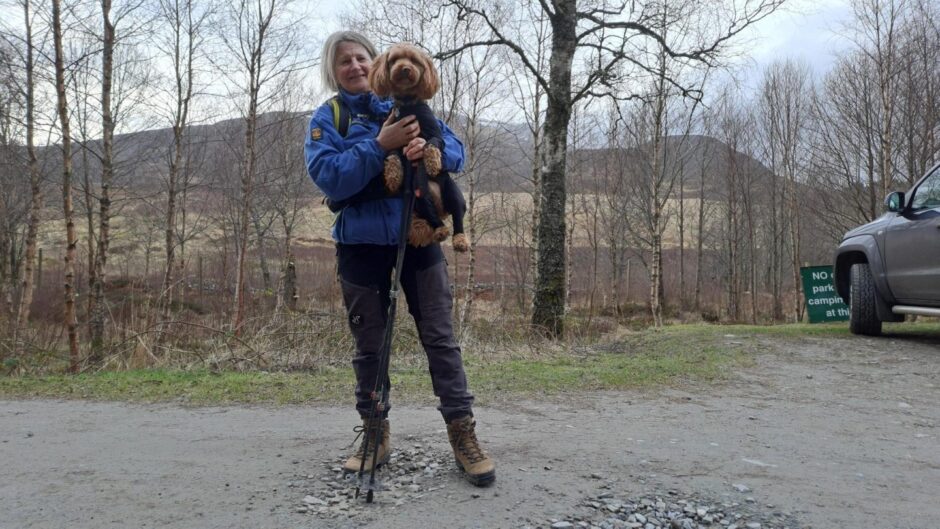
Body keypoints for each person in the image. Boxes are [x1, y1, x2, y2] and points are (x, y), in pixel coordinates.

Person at [304, 30, 495, 487]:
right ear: (334, 72)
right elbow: (328, 176)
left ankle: (462, 435)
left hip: (419, 240)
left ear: (377, 63)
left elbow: (456, 151)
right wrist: (380, 145)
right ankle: (375, 435)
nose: (354, 66)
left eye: (361, 58)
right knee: (369, 345)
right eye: (343, 61)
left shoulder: (409, 105)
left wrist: (428, 152)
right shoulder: (328, 117)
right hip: (362, 245)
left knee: (441, 338)